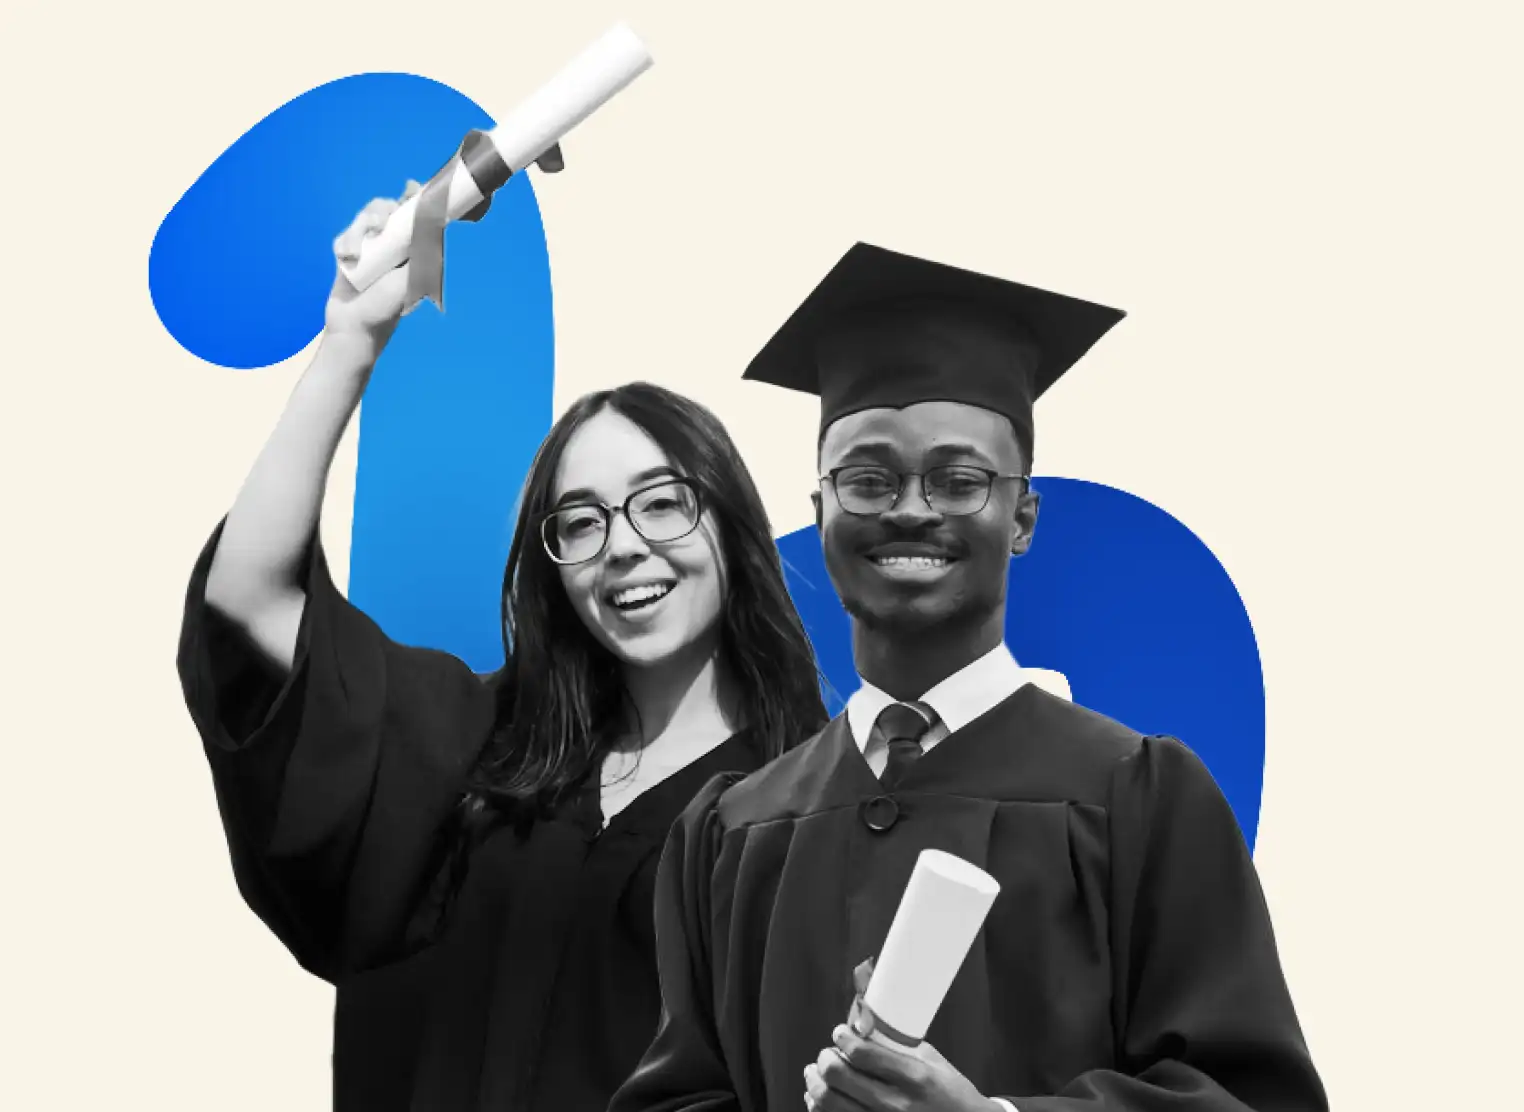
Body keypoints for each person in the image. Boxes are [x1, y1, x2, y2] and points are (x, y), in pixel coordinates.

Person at [609, 243, 1328, 1112]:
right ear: (820, 514)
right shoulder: (730, 832)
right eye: (867, 479)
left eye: (959, 480)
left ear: (1021, 518)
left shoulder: (1140, 798)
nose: (911, 508)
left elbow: (1249, 1099)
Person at [174, 186, 828, 1112]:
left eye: (662, 500)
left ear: (729, 522)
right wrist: (351, 343)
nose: (626, 545)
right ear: (552, 567)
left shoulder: (807, 814)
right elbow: (248, 600)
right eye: (581, 521)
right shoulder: (477, 749)